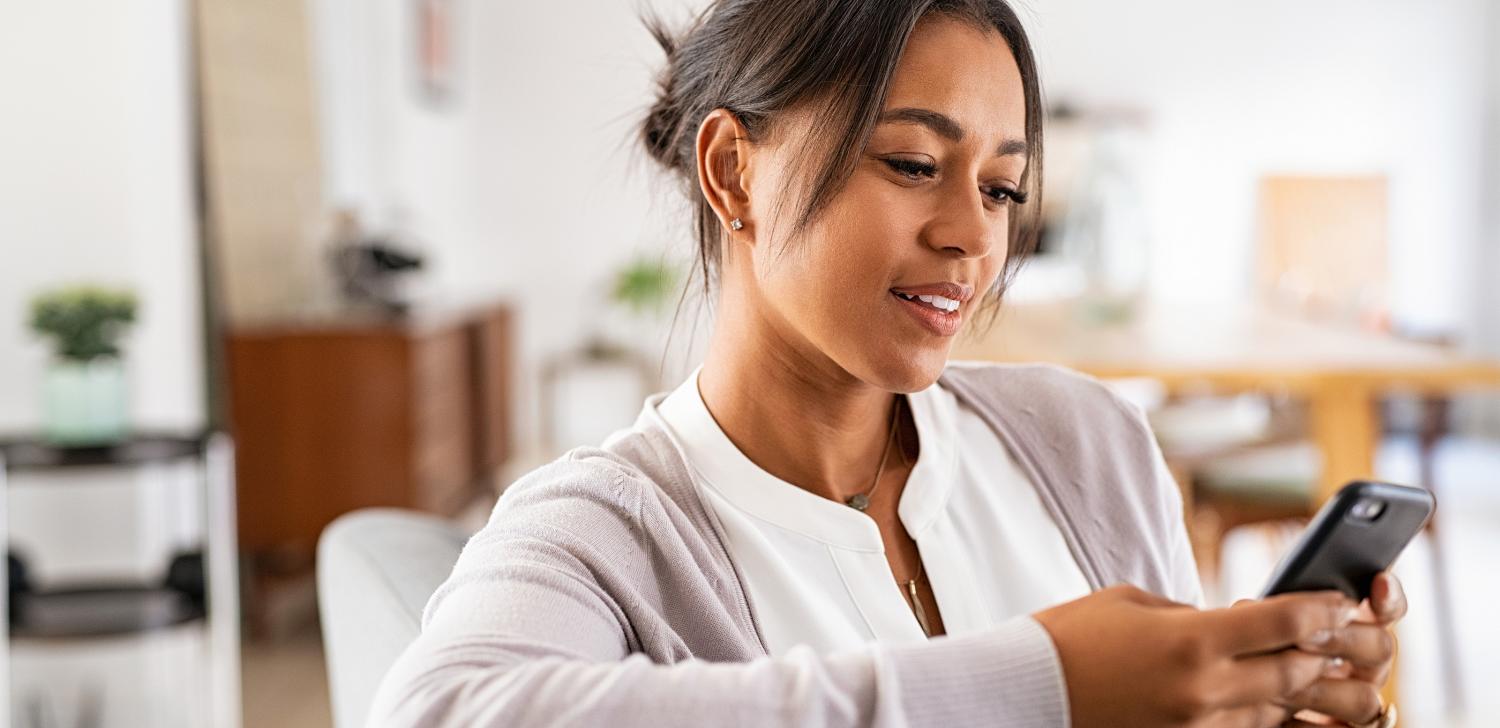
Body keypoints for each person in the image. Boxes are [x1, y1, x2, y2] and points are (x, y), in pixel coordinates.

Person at [367, 1, 1406, 725]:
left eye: (1001, 188)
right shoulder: (608, 529)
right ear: (733, 171)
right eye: (913, 164)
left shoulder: (1089, 441)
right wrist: (1043, 690)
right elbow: (440, 712)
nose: (972, 235)